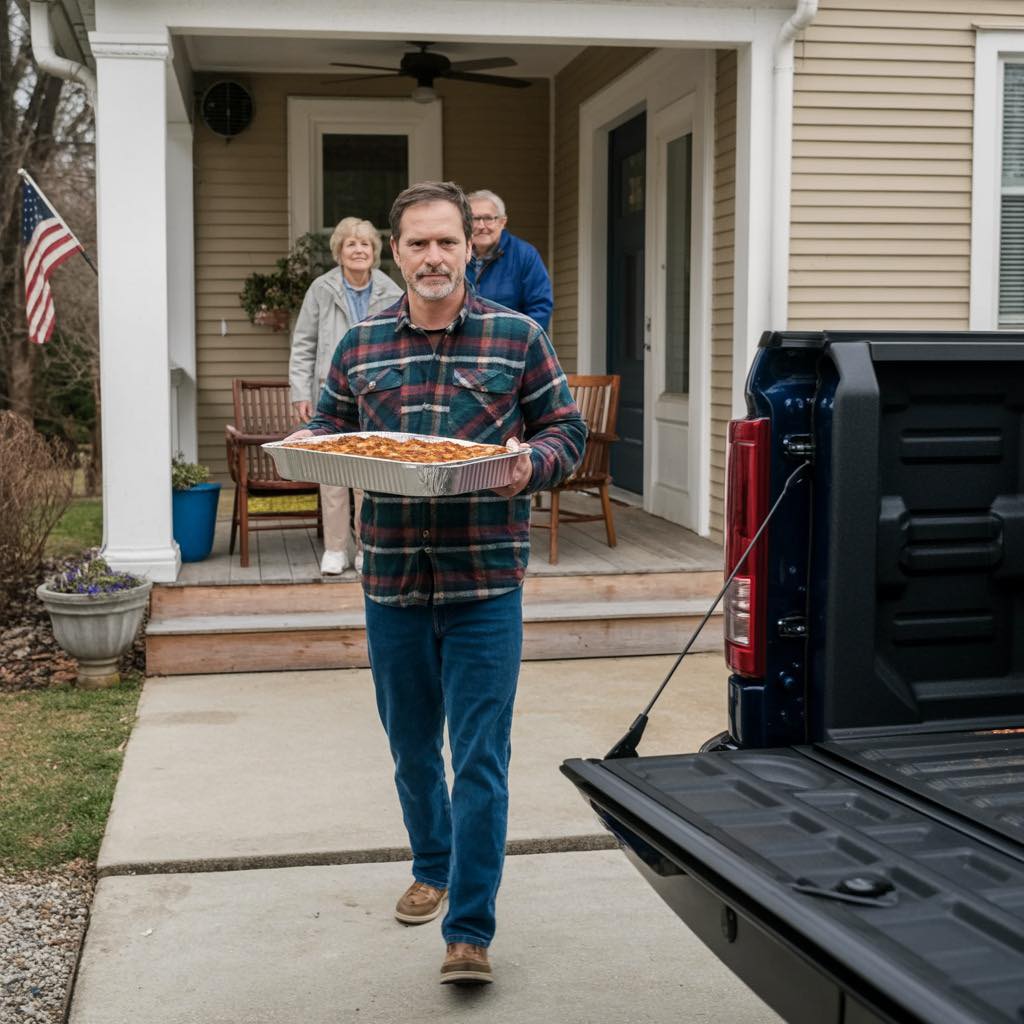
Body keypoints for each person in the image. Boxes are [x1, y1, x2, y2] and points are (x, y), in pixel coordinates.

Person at [286, 182, 585, 986]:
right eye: (417, 244)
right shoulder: (361, 346)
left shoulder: (517, 338)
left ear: (469, 248)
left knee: (481, 759)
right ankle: (431, 862)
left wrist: (533, 465)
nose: (433, 257)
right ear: (395, 253)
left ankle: (470, 930)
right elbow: (330, 426)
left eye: (447, 242)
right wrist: (305, 444)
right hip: (390, 583)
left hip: (486, 581)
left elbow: (567, 430)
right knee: (414, 751)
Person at [288, 217, 403, 574]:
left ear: (375, 252)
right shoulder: (321, 289)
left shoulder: (391, 291)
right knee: (332, 470)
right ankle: (336, 549)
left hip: (377, 391)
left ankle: (366, 547)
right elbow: (303, 344)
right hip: (330, 390)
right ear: (339, 251)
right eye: (350, 244)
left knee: (370, 472)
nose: (358, 250)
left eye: (365, 244)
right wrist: (300, 392)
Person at [465, 189, 553, 332]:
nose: (481, 226)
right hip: (462, 346)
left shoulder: (525, 255)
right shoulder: (456, 254)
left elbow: (540, 307)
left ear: (502, 222)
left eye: (488, 218)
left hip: (509, 346)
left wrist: (519, 345)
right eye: (474, 219)